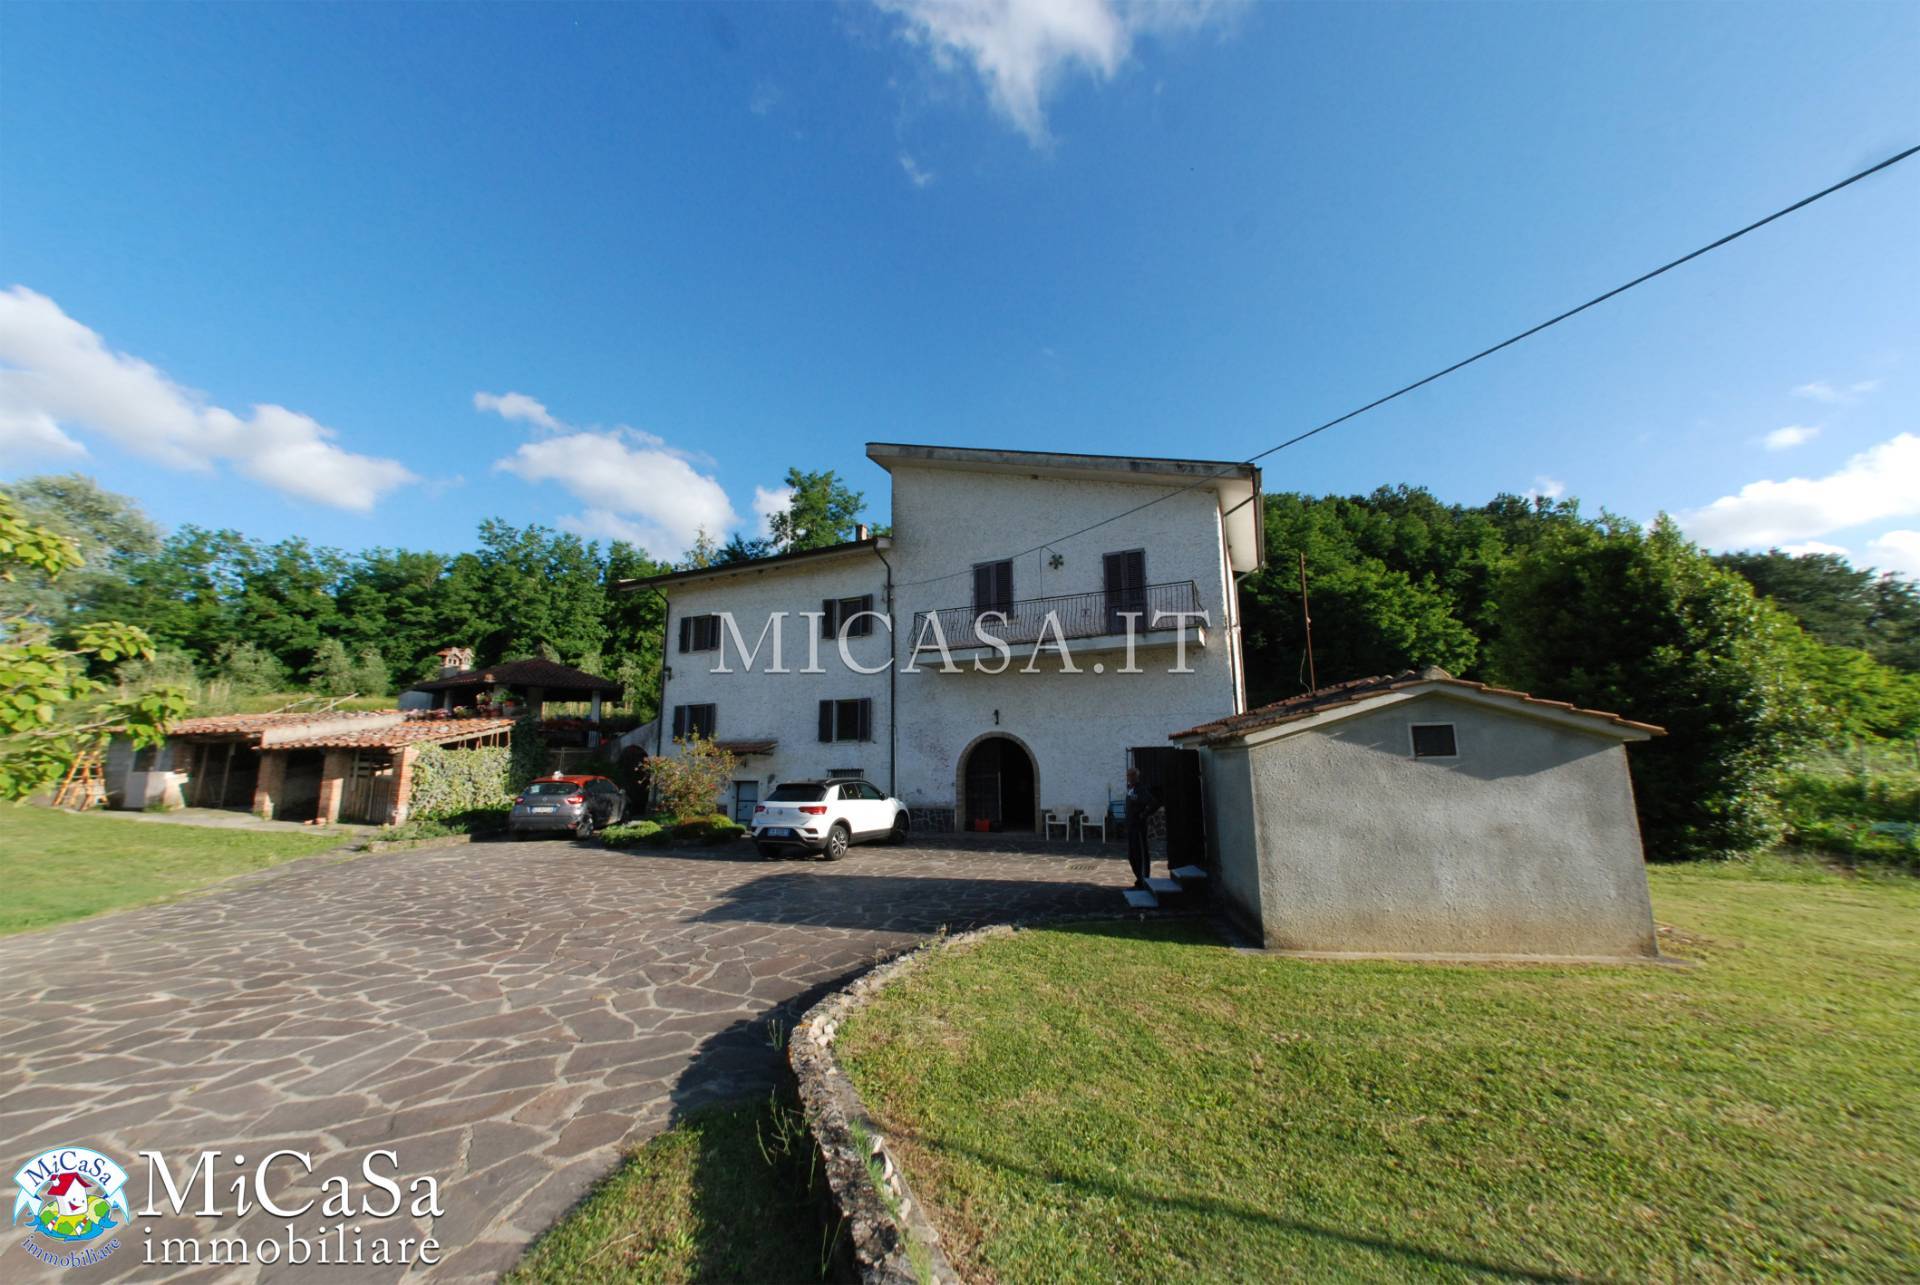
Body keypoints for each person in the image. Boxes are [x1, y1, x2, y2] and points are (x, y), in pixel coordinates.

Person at [1124, 767, 1158, 888]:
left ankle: (1144, 879)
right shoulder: (1131, 789)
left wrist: (1143, 815)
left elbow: (1153, 803)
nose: (1128, 778)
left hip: (1138, 828)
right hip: (1131, 827)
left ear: (1135, 777)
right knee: (1132, 855)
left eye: (1130, 776)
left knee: (1141, 854)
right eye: (1127, 776)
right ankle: (1139, 877)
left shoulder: (1140, 789)